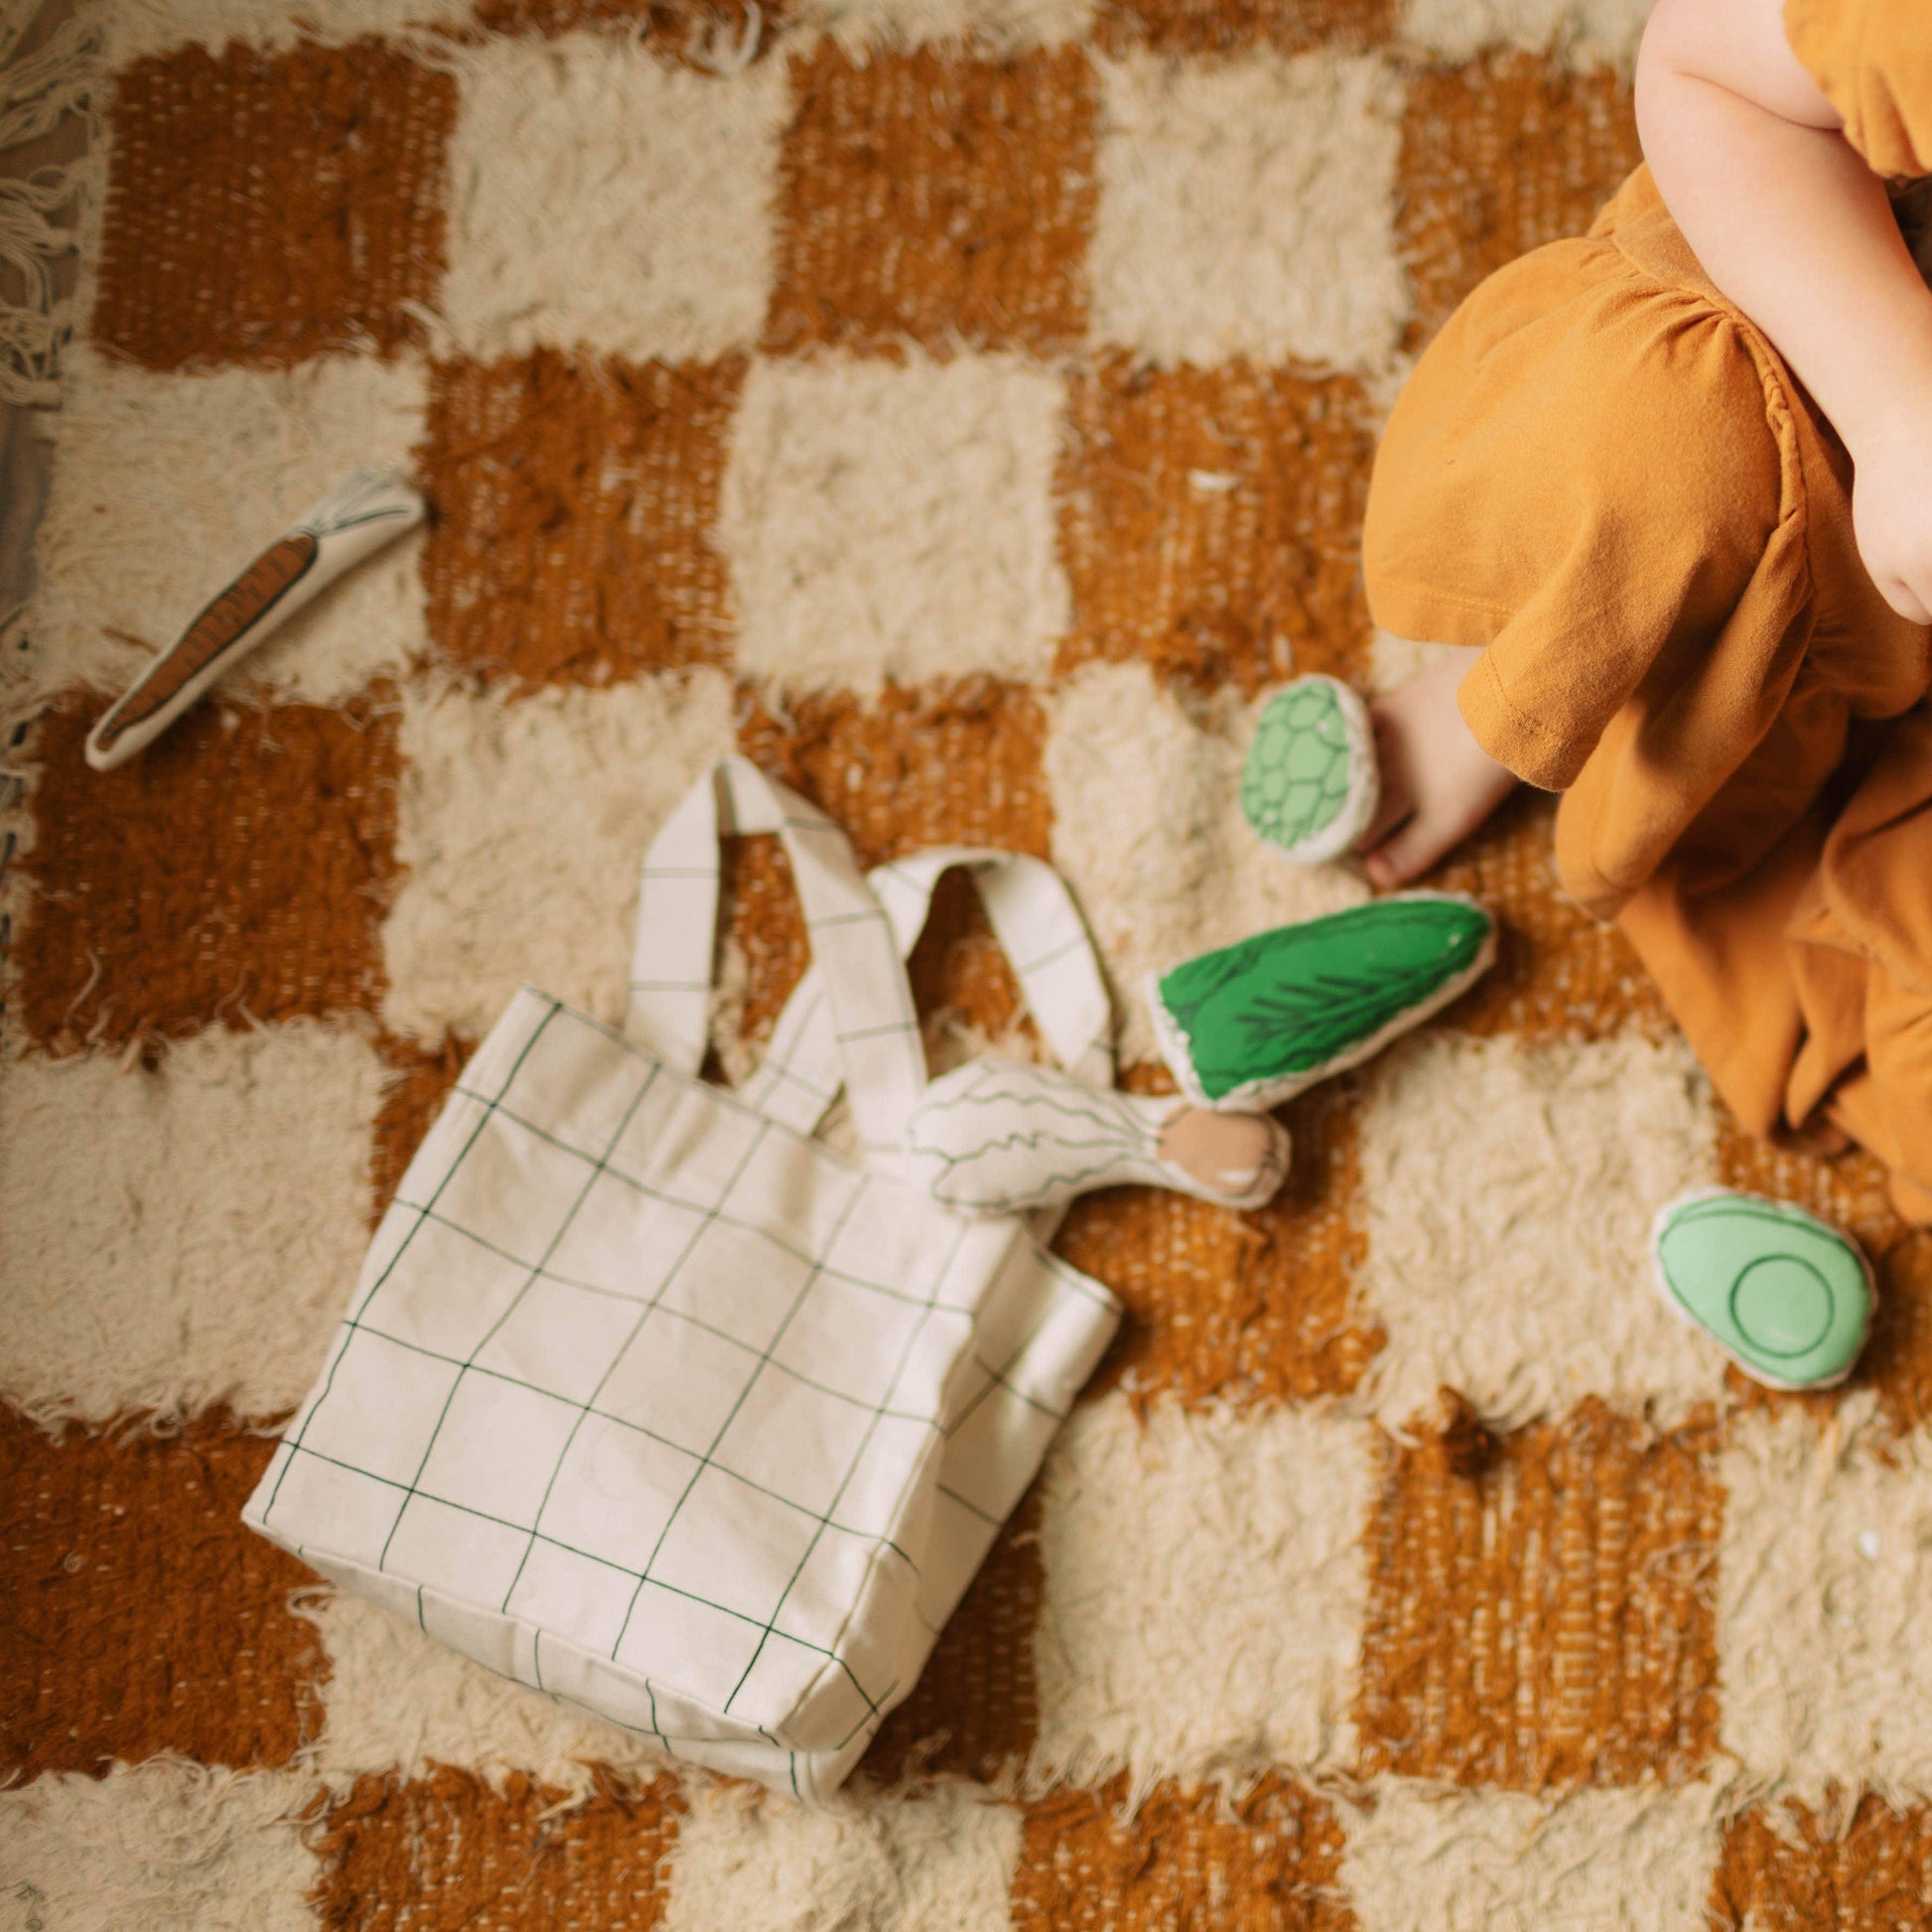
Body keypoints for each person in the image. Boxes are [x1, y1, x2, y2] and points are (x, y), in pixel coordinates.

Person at [1356, 0, 1932, 1220]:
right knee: (1654, 461)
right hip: (1832, 414)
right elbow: (1702, 60)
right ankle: (1551, 676)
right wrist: (1894, 404)